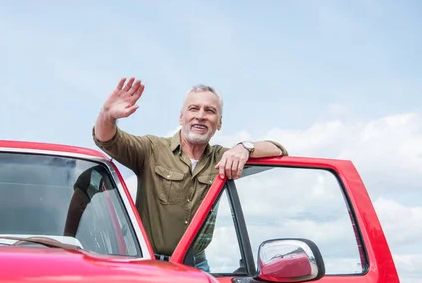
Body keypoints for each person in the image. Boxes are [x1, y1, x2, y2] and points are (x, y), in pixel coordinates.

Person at [92, 77, 288, 271]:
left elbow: (278, 149)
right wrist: (107, 115)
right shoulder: (151, 150)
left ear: (219, 123)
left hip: (196, 266)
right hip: (149, 264)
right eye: (194, 109)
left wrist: (245, 147)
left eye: (210, 111)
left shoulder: (224, 158)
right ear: (181, 117)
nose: (201, 116)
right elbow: (106, 138)